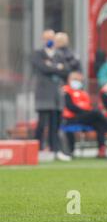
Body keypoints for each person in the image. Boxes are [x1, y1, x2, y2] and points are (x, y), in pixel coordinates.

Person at [63, 71, 107, 158]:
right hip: (71, 118)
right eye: (75, 79)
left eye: (79, 80)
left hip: (84, 117)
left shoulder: (83, 93)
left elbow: (88, 106)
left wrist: (85, 111)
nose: (77, 82)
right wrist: (84, 110)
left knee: (99, 123)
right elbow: (70, 107)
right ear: (69, 80)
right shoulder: (66, 91)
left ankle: (102, 149)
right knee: (97, 113)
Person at [31, 29, 72, 161]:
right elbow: (43, 68)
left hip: (56, 94)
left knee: (55, 123)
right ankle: (36, 150)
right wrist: (57, 68)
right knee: (42, 123)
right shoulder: (38, 54)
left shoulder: (59, 54)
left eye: (51, 38)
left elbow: (66, 70)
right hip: (43, 93)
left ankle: (55, 150)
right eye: (46, 38)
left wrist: (53, 67)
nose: (49, 40)